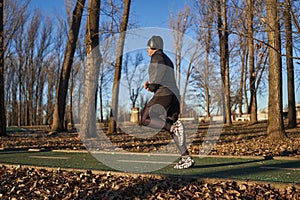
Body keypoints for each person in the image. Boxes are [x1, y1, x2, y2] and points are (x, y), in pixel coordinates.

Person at [140, 35, 194, 169]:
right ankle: (186, 158)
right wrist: (153, 85)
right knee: (172, 127)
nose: (147, 50)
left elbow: (159, 73)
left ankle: (172, 127)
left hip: (165, 94)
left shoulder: (156, 57)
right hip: (174, 96)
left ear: (152, 46)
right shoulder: (167, 59)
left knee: (144, 118)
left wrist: (150, 85)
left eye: (148, 47)